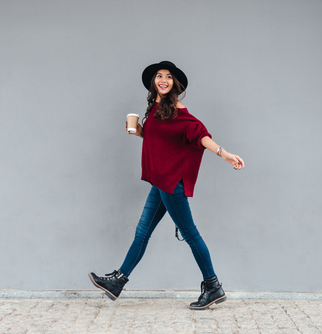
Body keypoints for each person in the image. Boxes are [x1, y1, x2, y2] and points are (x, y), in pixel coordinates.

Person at [89, 61, 244, 310]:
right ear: (154, 82)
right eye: (159, 76)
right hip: (161, 181)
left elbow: (198, 133)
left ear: (174, 83)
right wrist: (141, 132)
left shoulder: (179, 111)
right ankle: (117, 282)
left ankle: (213, 286)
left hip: (172, 183)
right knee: (142, 233)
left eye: (169, 77)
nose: (163, 80)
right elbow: (161, 140)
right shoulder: (158, 108)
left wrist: (223, 153)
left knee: (191, 234)